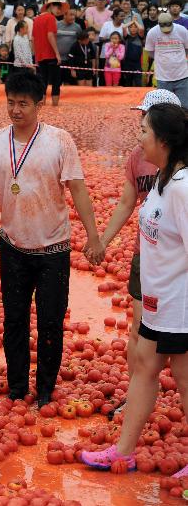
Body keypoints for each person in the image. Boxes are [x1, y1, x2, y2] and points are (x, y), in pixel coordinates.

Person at [0, 71, 104, 408]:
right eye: (11, 102)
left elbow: (78, 189)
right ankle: (16, 388)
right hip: (12, 247)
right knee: (13, 320)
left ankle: (44, 390)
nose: (15, 110)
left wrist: (94, 235)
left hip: (53, 250)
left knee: (50, 322)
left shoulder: (59, 141)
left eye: (23, 104)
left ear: (38, 104)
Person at [80, 104, 188, 474]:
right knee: (143, 368)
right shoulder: (161, 180)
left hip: (180, 307)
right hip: (158, 303)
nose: (138, 137)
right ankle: (123, 450)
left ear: (165, 140)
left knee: (186, 383)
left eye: (144, 131)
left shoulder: (183, 189)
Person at [99, 89, 182, 420]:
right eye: (142, 119)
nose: (140, 126)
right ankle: (138, 399)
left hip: (177, 262)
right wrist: (102, 240)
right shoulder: (137, 157)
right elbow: (126, 202)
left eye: (147, 121)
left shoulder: (183, 170)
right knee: (140, 329)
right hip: (145, 256)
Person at [145, 13, 188, 106]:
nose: (166, 31)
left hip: (182, 75)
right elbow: (150, 51)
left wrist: (178, 59)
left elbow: (187, 48)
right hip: (163, 77)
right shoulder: (152, 32)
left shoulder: (182, 30)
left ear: (172, 22)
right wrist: (161, 59)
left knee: (184, 106)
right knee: (165, 107)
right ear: (158, 23)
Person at [32, 0, 62, 106]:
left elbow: (33, 38)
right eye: (57, 7)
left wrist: (35, 56)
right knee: (56, 81)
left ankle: (42, 105)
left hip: (40, 55)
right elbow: (50, 35)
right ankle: (55, 106)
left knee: (42, 82)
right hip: (50, 54)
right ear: (51, 6)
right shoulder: (51, 18)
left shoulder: (36, 19)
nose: (58, 10)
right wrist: (57, 54)